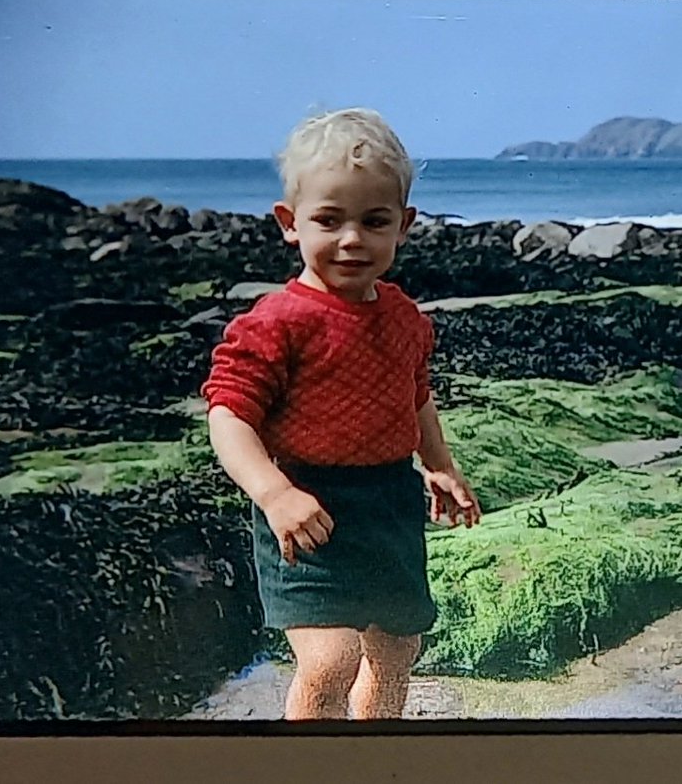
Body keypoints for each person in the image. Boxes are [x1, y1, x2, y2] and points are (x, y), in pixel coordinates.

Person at [201, 107, 481, 721]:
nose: (352, 239)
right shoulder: (278, 322)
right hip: (307, 509)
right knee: (330, 661)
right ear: (290, 223)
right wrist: (274, 493)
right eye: (329, 220)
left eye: (373, 221)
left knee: (395, 652)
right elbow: (228, 414)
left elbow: (416, 393)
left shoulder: (405, 315)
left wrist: (439, 465)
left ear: (403, 226)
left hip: (389, 504)